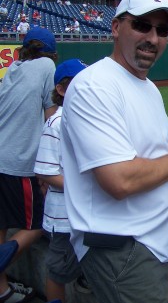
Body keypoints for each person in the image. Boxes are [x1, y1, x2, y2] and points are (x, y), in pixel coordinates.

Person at [60, 0, 168, 303]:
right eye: (142, 25)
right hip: (122, 247)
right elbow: (119, 180)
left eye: (162, 30)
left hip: (148, 243)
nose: (153, 38)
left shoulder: (148, 88)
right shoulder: (95, 85)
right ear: (116, 27)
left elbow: (158, 160)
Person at [0, 27, 58, 303]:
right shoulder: (47, 65)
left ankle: (1, 290)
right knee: (38, 223)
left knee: (0, 225)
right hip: (18, 163)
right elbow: (51, 120)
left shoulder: (14, 68)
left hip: (1, 156)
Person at [34, 59, 88, 303]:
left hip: (86, 214)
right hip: (63, 217)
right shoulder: (55, 122)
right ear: (62, 89)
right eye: (79, 84)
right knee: (58, 272)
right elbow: (45, 172)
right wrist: (89, 186)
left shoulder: (86, 120)